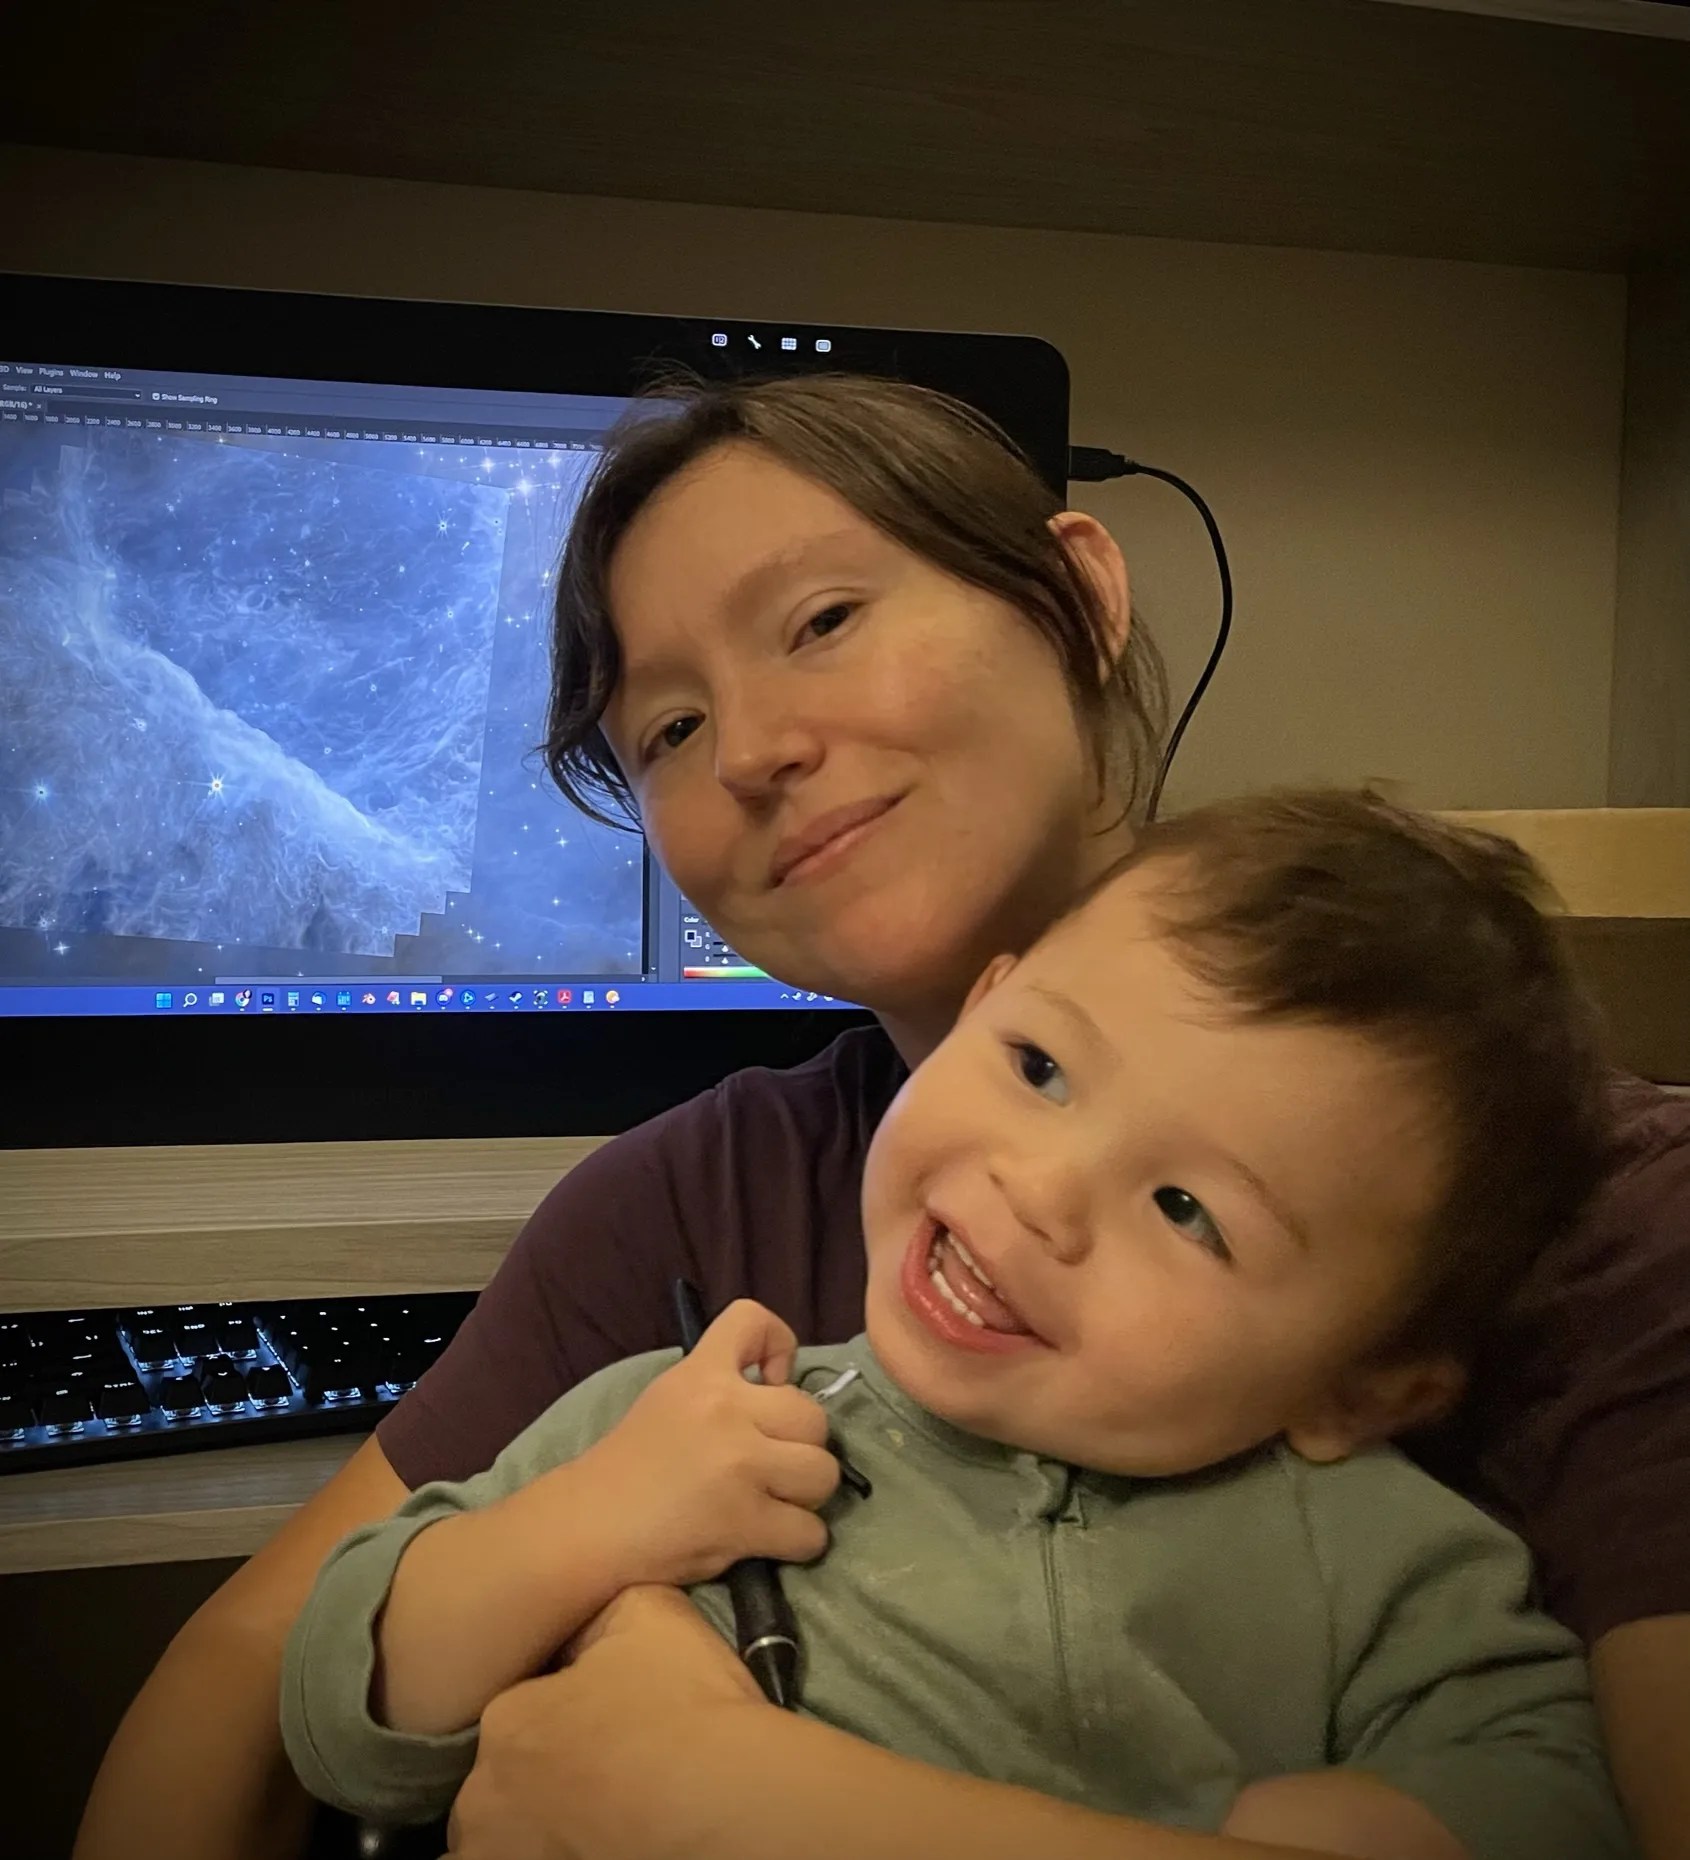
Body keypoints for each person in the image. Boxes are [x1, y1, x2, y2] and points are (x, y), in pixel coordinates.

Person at [71, 376, 1690, 1860]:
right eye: (672, 729)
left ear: (1078, 596)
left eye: (825, 619)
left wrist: (756, 1808)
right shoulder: (682, 1221)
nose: (761, 750)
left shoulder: (1585, 1226)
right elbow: (269, 1668)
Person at [280, 790, 1633, 1860]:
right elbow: (344, 1717)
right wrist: (580, 1527)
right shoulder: (687, 1411)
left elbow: (1547, 1815)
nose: (1037, 1193)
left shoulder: (1382, 1567)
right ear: (977, 1011)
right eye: (1038, 1067)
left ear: (1362, 1389)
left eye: (1185, 1208)